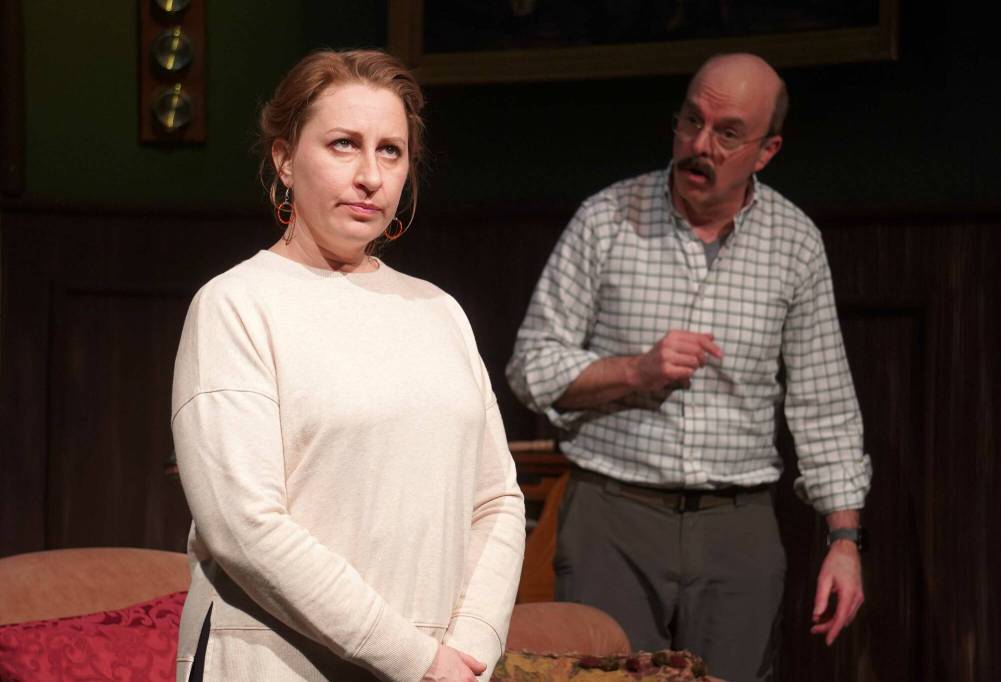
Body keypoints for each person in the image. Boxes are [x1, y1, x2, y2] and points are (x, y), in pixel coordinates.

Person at [506, 53, 871, 682]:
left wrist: (845, 541)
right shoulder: (606, 221)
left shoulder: (794, 243)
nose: (700, 145)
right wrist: (635, 372)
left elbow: (824, 404)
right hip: (613, 514)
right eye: (691, 122)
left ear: (767, 150)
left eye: (728, 133)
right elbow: (530, 366)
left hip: (737, 524)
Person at [172, 49, 525, 682]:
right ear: (284, 159)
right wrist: (414, 658)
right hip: (276, 664)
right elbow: (245, 529)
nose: (370, 175)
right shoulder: (236, 305)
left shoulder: (438, 310)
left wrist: (469, 648)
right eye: (343, 144)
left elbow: (495, 498)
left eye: (390, 151)